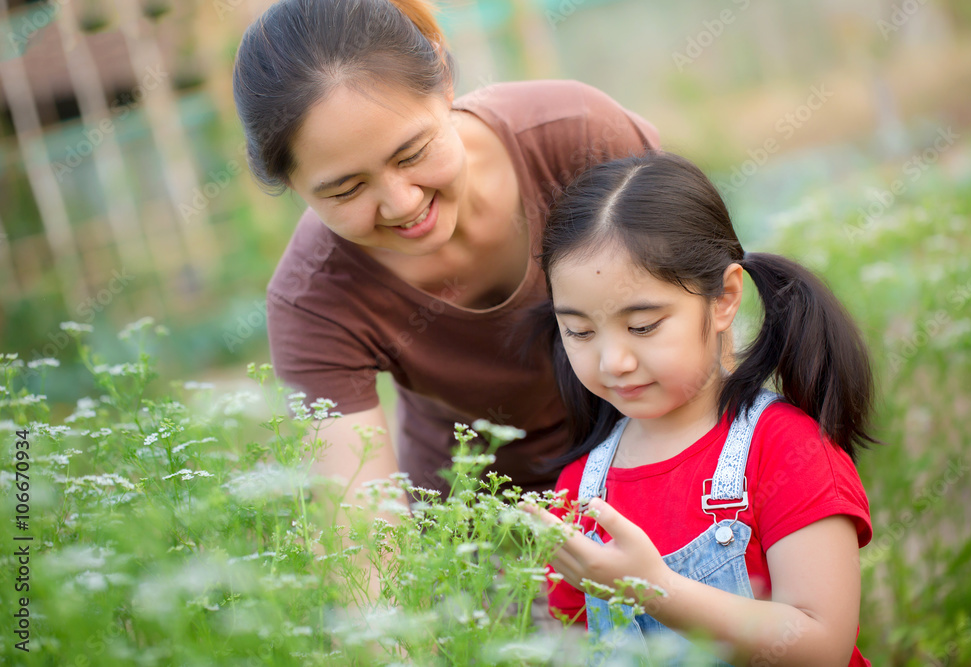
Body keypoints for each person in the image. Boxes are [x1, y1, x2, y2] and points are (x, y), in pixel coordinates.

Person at [231, 0, 660, 499]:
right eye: (346, 190)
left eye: (412, 153)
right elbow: (361, 535)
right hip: (481, 528)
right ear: (292, 184)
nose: (401, 203)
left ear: (444, 81)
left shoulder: (578, 137)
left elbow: (696, 338)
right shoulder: (314, 300)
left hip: (657, 462)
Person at [524, 151, 876, 666]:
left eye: (643, 325)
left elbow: (823, 645)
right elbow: (579, 643)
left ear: (725, 298)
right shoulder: (580, 488)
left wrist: (653, 587)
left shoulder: (785, 449)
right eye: (579, 331)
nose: (613, 360)